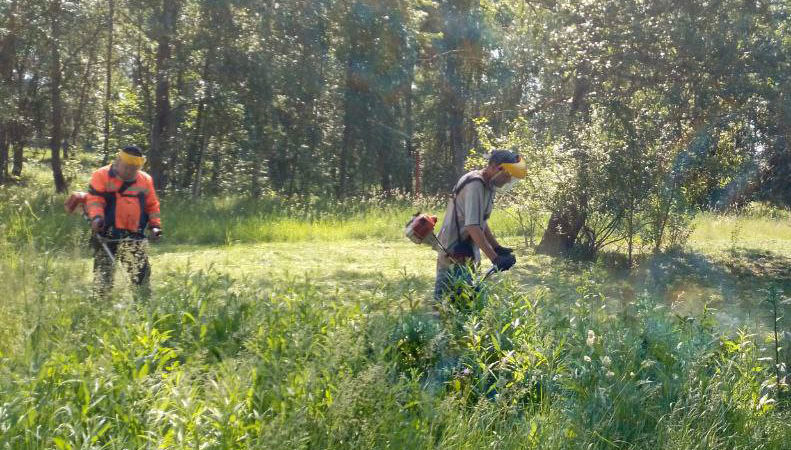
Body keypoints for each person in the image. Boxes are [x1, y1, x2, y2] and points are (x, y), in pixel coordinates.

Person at [434, 150, 525, 302]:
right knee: (447, 306)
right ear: (495, 167)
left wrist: (497, 247)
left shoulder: (487, 186)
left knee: (469, 303)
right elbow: (472, 226)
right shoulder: (475, 183)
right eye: (508, 175)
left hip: (467, 250)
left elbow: (480, 221)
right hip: (453, 251)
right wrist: (495, 258)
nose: (509, 181)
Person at [85, 145, 162, 299]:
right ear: (118, 161)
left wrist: (155, 226)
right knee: (103, 273)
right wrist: (97, 218)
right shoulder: (101, 175)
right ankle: (100, 304)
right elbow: (95, 201)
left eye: (134, 169)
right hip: (106, 232)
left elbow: (152, 205)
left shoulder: (145, 180)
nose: (129, 171)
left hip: (135, 234)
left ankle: (143, 305)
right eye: (126, 167)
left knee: (141, 274)